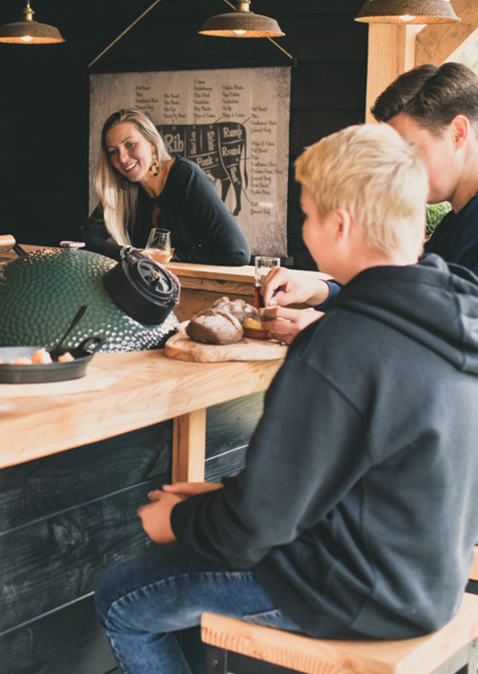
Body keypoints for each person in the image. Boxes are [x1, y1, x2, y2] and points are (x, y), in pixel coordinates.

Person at [94, 122, 478, 674]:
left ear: (340, 225)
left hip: (350, 591)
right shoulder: (448, 318)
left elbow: (258, 527)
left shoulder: (339, 344)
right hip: (428, 580)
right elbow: (343, 481)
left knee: (122, 598)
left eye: (307, 215)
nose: (305, 228)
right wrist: (218, 498)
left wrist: (180, 522)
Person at [262, 61, 478, 344]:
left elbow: (457, 334)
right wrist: (318, 290)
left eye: (408, 150)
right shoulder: (455, 223)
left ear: (458, 133)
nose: (395, 168)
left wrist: (334, 328)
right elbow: (403, 299)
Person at [79, 108, 250, 264]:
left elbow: (238, 252)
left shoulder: (187, 177)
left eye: (130, 144)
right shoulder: (123, 189)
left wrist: (168, 253)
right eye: (113, 152)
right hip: (148, 291)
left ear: (152, 146)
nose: (122, 158)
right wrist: (128, 252)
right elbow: (86, 239)